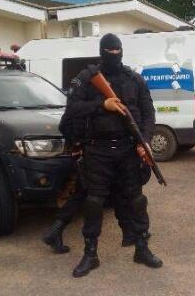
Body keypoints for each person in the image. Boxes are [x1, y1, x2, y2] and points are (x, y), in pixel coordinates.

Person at [64, 33, 162, 278]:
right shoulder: (87, 79)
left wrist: (146, 141)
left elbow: (149, 113)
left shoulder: (134, 79)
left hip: (129, 149)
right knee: (94, 202)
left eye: (118, 51)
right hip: (98, 150)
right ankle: (90, 254)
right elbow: (71, 110)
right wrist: (101, 105)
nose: (114, 55)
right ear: (101, 52)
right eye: (110, 51)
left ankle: (141, 247)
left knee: (136, 200)